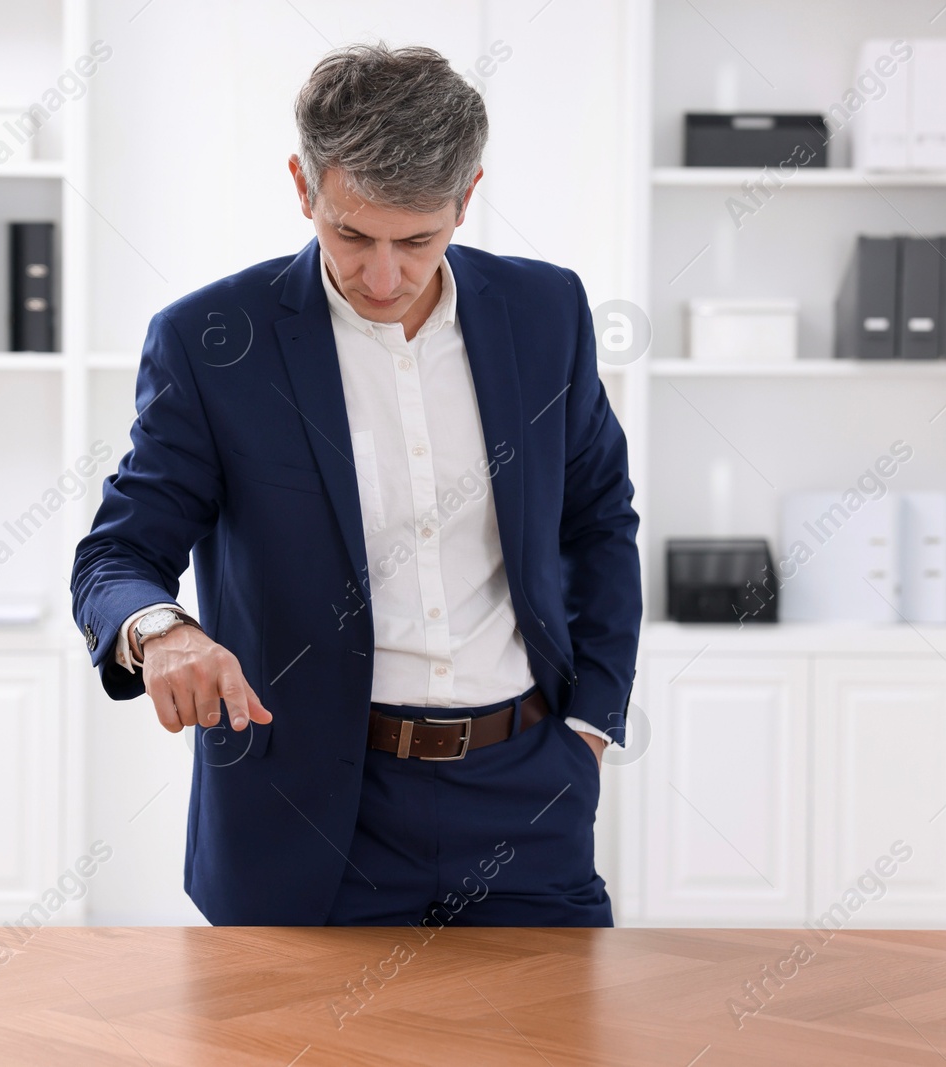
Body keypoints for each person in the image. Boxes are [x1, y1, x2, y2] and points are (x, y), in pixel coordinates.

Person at [71, 42, 640, 926]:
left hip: (526, 792)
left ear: (468, 197)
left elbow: (601, 520)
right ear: (304, 187)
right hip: (305, 812)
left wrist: (592, 726)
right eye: (351, 234)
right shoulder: (212, 340)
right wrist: (162, 631)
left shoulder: (546, 312)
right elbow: (118, 554)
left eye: (416, 240)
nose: (383, 276)